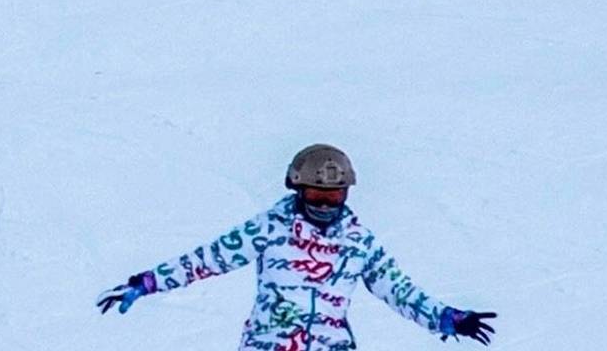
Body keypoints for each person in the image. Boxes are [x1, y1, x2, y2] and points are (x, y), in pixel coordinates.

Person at [96, 144, 495, 351]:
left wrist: (445, 318)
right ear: (297, 188)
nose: (325, 205)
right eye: (317, 196)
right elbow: (210, 258)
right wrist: (147, 282)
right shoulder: (270, 229)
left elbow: (398, 289)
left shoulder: (357, 241)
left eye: (334, 196)